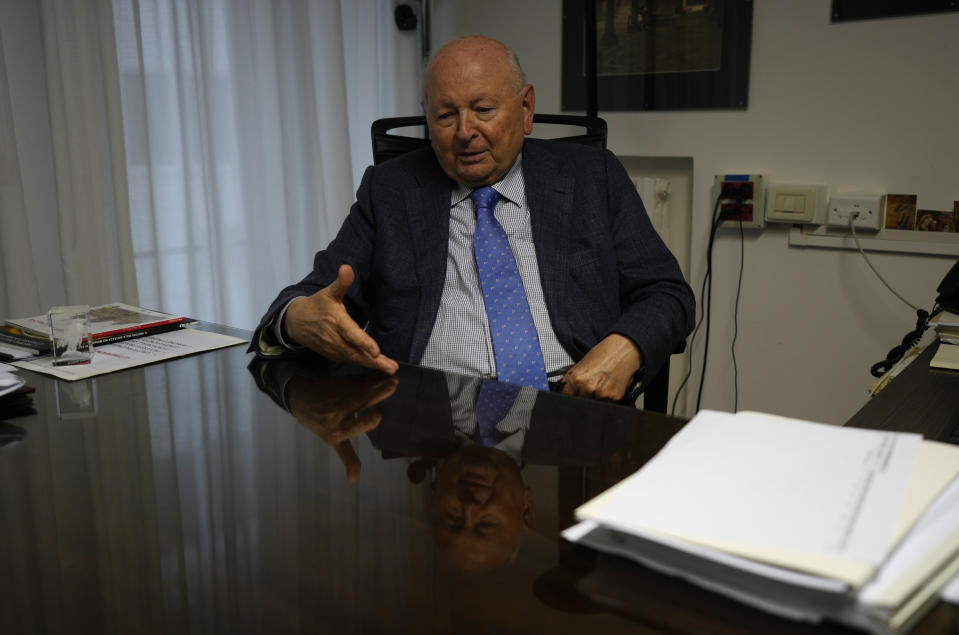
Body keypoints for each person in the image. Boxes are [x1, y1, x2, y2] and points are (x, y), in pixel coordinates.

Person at [251, 35, 694, 402]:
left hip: (569, 407)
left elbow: (667, 292)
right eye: (445, 115)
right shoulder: (391, 190)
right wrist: (295, 319)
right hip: (427, 420)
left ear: (525, 110)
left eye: (483, 110)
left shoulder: (591, 177)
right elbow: (315, 295)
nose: (465, 132)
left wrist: (627, 346)